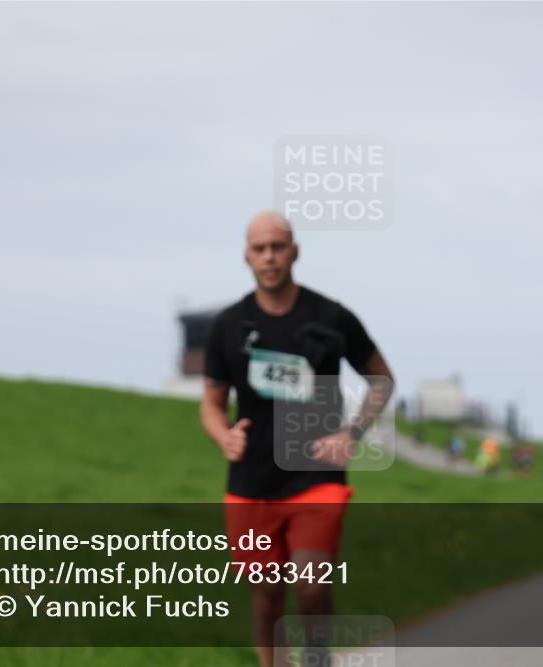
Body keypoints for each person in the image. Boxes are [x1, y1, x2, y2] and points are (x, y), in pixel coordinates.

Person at [199, 210, 394, 667]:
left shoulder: (332, 316)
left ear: (295, 252)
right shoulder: (228, 325)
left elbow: (381, 379)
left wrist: (352, 433)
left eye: (277, 247)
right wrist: (223, 435)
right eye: (260, 249)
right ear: (246, 256)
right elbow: (211, 402)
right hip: (251, 482)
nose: (269, 257)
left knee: (310, 583)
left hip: (316, 473)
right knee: (266, 596)